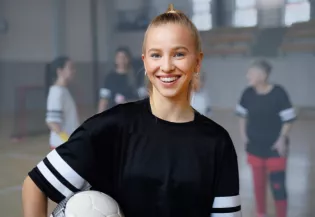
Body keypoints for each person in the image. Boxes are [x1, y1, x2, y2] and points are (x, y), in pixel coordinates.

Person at [22, 4, 241, 217]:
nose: (166, 66)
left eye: (179, 54)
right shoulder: (110, 127)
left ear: (197, 62)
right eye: (156, 55)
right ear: (145, 63)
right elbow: (35, 186)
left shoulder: (217, 142)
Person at [235, 60, 296, 217]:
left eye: (251, 73)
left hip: (275, 148)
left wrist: (282, 138)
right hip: (254, 147)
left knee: (277, 185)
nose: (247, 76)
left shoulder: (279, 93)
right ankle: (260, 213)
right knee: (258, 184)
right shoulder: (247, 93)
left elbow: (289, 119)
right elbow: (242, 116)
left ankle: (281, 214)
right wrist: (244, 136)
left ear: (262, 75)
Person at [45, 56, 79, 149]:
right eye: (70, 68)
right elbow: (52, 122)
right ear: (60, 71)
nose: (73, 71)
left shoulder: (63, 90)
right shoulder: (57, 92)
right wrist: (68, 139)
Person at [98, 47, 138, 112]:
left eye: (124, 57)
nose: (122, 60)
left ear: (129, 59)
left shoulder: (135, 77)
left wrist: (127, 102)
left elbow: (143, 99)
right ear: (115, 60)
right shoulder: (109, 78)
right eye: (119, 57)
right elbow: (103, 99)